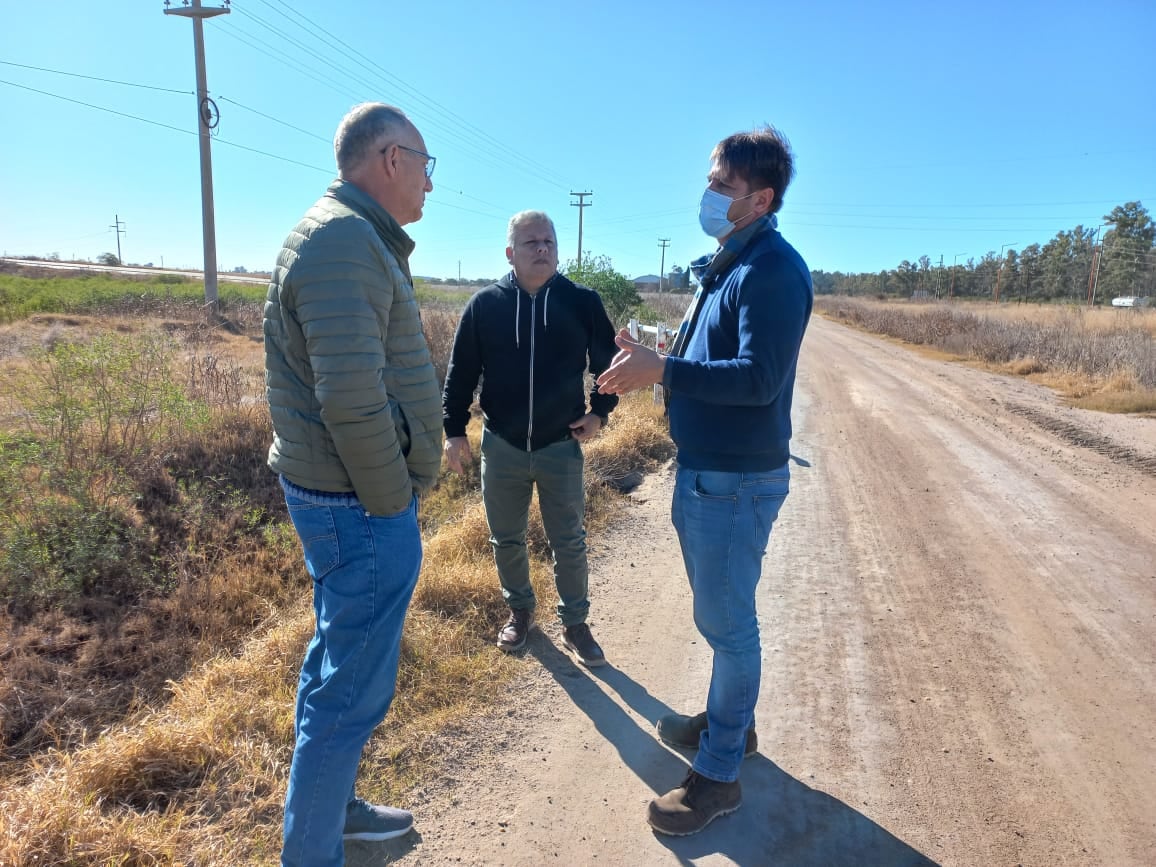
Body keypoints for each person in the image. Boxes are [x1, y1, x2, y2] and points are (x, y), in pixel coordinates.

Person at [596, 126, 812, 836]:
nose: (710, 193)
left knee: (728, 623)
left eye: (724, 184)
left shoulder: (774, 271)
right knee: (720, 618)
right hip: (709, 472)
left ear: (762, 197)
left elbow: (758, 380)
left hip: (736, 479)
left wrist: (664, 372)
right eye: (713, 179)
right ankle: (732, 725)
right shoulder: (729, 260)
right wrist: (657, 354)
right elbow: (709, 352)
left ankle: (719, 777)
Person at [263, 102, 443, 866]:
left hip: (346, 500)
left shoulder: (353, 234)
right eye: (427, 165)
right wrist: (392, 502)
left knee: (333, 669)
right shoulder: (343, 240)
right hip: (358, 504)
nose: (432, 185)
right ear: (391, 159)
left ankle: (336, 811)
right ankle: (314, 850)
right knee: (348, 696)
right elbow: (351, 399)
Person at [442, 210, 619, 667]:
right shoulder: (485, 305)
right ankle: (520, 612)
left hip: (561, 443)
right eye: (530, 243)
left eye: (548, 241)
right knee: (507, 537)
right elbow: (461, 373)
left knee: (570, 539)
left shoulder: (582, 302)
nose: (542, 249)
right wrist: (454, 431)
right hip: (501, 445)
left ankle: (576, 624)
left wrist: (599, 413)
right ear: (510, 253)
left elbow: (609, 366)